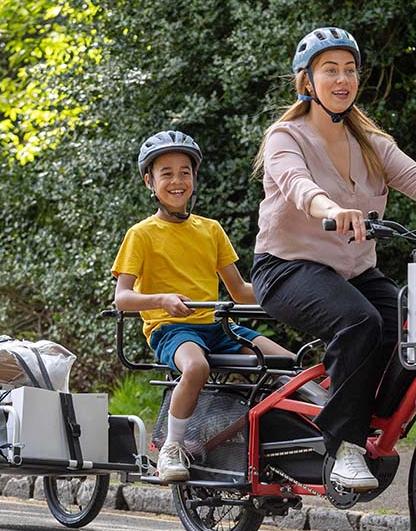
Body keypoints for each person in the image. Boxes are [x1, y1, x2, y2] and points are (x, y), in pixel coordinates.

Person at [251, 27, 416, 491]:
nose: (342, 79)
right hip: (287, 268)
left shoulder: (371, 143)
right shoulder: (284, 137)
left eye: (350, 70)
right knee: (361, 323)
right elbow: (296, 185)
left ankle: (375, 422)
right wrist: (331, 210)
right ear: (307, 82)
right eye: (329, 70)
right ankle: (345, 446)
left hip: (353, 271)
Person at [112, 130, 291, 483]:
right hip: (173, 329)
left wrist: (288, 293)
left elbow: (239, 290)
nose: (177, 181)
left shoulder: (210, 230)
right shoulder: (142, 234)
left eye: (185, 172)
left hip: (217, 327)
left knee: (288, 365)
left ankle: (268, 441)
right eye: (167, 173)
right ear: (149, 181)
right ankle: (172, 448)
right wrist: (161, 300)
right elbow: (122, 297)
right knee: (195, 367)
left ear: (194, 178)